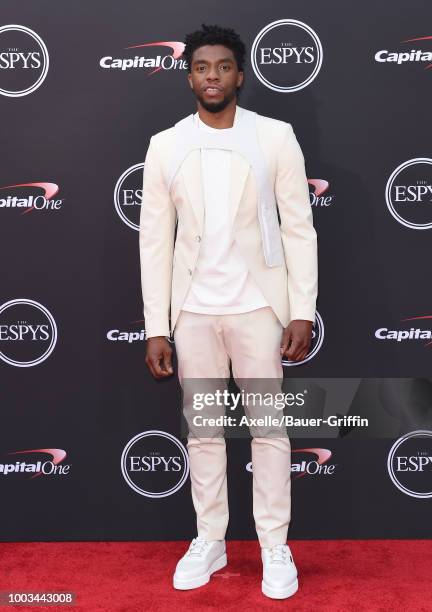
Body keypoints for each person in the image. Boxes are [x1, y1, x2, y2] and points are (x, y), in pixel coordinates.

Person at [139, 23, 318, 600]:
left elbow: (299, 228)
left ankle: (273, 547)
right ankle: (210, 539)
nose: (211, 77)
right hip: (192, 313)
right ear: (187, 75)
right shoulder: (166, 144)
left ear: (240, 75)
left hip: (258, 310)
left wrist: (301, 311)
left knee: (269, 431)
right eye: (200, 67)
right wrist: (156, 326)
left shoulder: (273, 137)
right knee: (204, 432)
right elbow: (154, 240)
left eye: (222, 67)